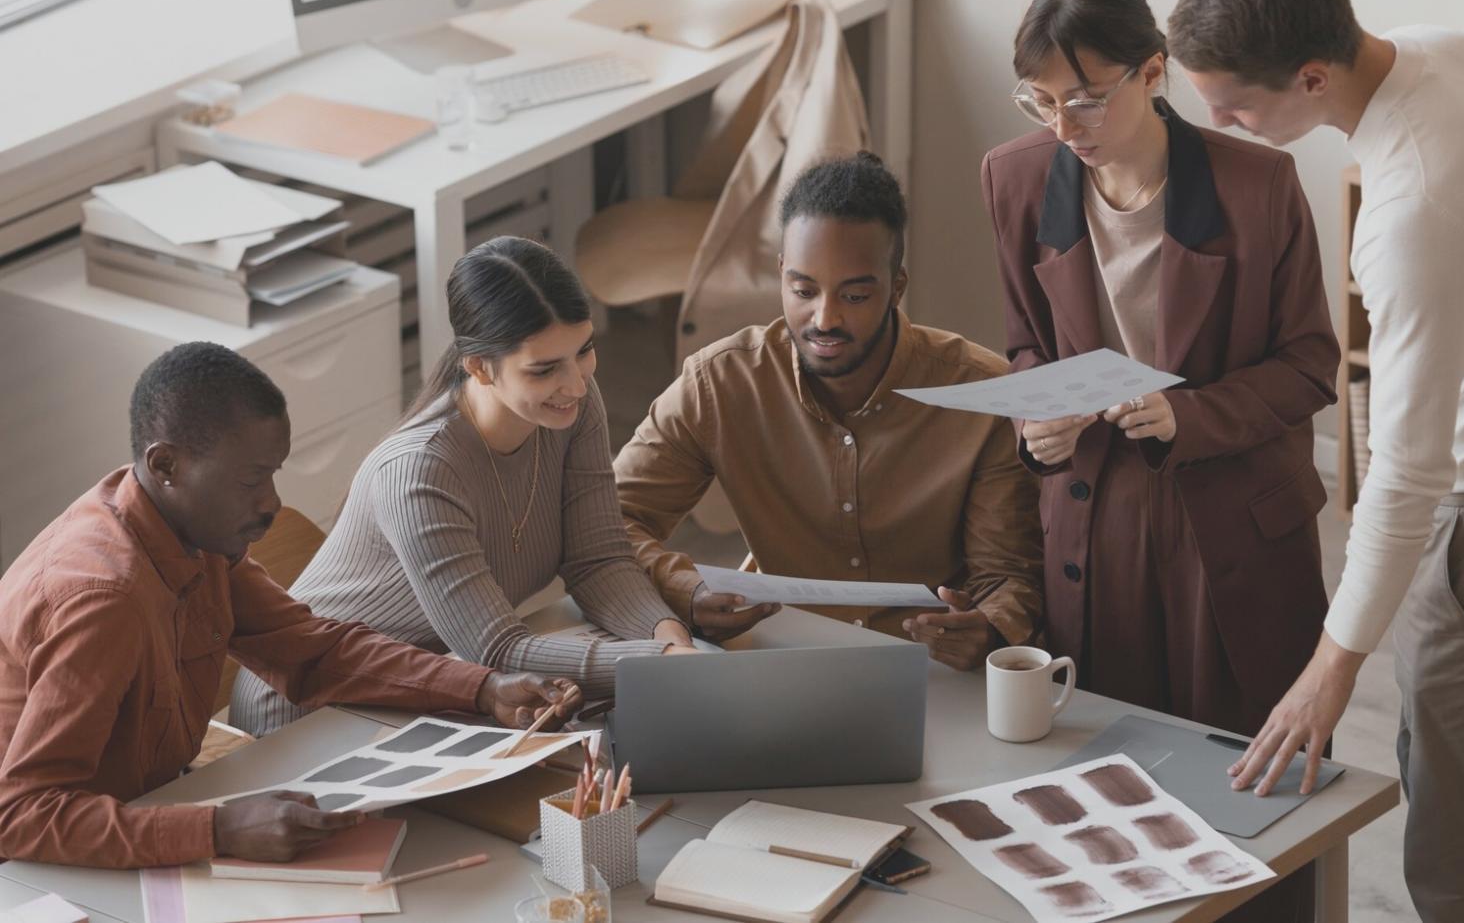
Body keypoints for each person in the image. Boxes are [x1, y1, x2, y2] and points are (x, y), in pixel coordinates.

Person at [1169, 0, 1464, 923]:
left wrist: (1328, 669)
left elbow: (1404, 473)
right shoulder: (1445, 51)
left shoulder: (1407, 209)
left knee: (1463, 862)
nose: (1216, 124)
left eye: (1230, 104)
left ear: (1309, 77)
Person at [983, 0, 1339, 921]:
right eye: (1042, 100)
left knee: (1248, 802)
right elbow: (1026, 339)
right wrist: (1035, 415)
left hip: (1229, 527)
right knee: (1100, 808)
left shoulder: (1260, 185)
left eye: (1088, 98)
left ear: (1154, 73)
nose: (1065, 127)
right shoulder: (1015, 179)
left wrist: (1194, 416)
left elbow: (1312, 366)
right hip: (1091, 524)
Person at [0, 343, 579, 869]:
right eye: (252, 480)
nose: (272, 502)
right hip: (44, 865)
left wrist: (482, 689)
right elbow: (22, 816)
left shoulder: (194, 537)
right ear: (166, 466)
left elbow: (316, 652)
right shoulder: (103, 600)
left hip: (147, 807)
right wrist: (216, 828)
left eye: (273, 474)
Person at [232, 237, 694, 737]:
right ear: (477, 366)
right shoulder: (419, 470)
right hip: (308, 712)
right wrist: (657, 664)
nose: (577, 384)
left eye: (583, 351)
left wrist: (670, 640)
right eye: (544, 369)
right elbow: (496, 650)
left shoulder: (569, 407)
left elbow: (599, 559)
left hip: (432, 688)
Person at [614, 152, 1044, 668]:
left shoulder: (982, 394)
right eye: (802, 290)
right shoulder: (720, 383)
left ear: (896, 288)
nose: (825, 318)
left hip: (932, 670)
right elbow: (610, 522)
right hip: (780, 659)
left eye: (856, 295)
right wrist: (687, 590)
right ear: (781, 276)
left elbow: (1007, 574)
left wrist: (991, 628)